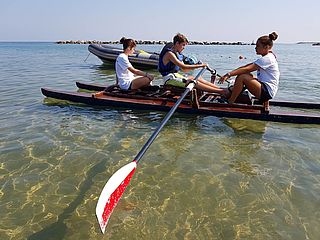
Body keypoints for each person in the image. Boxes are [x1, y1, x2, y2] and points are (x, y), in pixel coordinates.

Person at [219, 32, 280, 103]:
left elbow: (247, 69)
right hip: (265, 89)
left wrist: (228, 75)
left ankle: (230, 101)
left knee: (243, 77)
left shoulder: (267, 58)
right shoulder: (268, 56)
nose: (255, 48)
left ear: (266, 47)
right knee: (246, 74)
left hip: (267, 92)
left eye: (258, 46)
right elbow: (246, 67)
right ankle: (232, 93)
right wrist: (229, 74)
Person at [158, 33, 228, 95]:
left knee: (197, 78)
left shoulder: (177, 53)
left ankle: (220, 89)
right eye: (183, 45)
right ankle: (221, 92)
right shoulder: (169, 54)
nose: (184, 48)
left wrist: (196, 65)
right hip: (169, 80)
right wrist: (201, 65)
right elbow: (184, 67)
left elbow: (185, 70)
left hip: (175, 76)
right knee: (193, 82)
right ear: (177, 43)